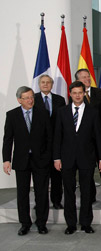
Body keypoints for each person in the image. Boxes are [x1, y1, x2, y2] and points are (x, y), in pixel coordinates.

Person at [53, 81, 101, 235]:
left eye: (80, 92)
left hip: (87, 157)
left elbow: (98, 137)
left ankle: (85, 223)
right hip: (66, 158)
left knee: (86, 192)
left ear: (84, 93)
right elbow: (57, 137)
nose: (77, 95)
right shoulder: (62, 112)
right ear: (70, 94)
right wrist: (56, 158)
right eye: (74, 93)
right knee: (68, 191)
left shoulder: (93, 112)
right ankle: (70, 224)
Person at [2, 86, 52, 236]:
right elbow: (8, 139)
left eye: (32, 97)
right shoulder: (12, 115)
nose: (30, 100)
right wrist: (6, 160)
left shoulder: (43, 113)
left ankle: (42, 223)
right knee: (22, 193)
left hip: (41, 160)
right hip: (21, 160)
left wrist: (48, 156)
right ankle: (25, 223)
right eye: (27, 98)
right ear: (19, 100)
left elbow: (50, 138)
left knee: (41, 193)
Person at [74, 69, 101, 204]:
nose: (87, 79)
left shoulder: (100, 92)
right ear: (78, 80)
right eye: (84, 77)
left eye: (88, 77)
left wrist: (96, 129)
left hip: (100, 136)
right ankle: (90, 195)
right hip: (84, 140)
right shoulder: (75, 95)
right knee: (87, 168)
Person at [34, 75, 66, 209]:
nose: (45, 84)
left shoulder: (60, 100)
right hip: (40, 145)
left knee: (57, 175)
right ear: (39, 84)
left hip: (57, 142)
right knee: (40, 177)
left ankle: (57, 201)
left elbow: (64, 120)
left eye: (48, 82)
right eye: (43, 82)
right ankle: (39, 202)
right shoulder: (33, 99)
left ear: (52, 85)